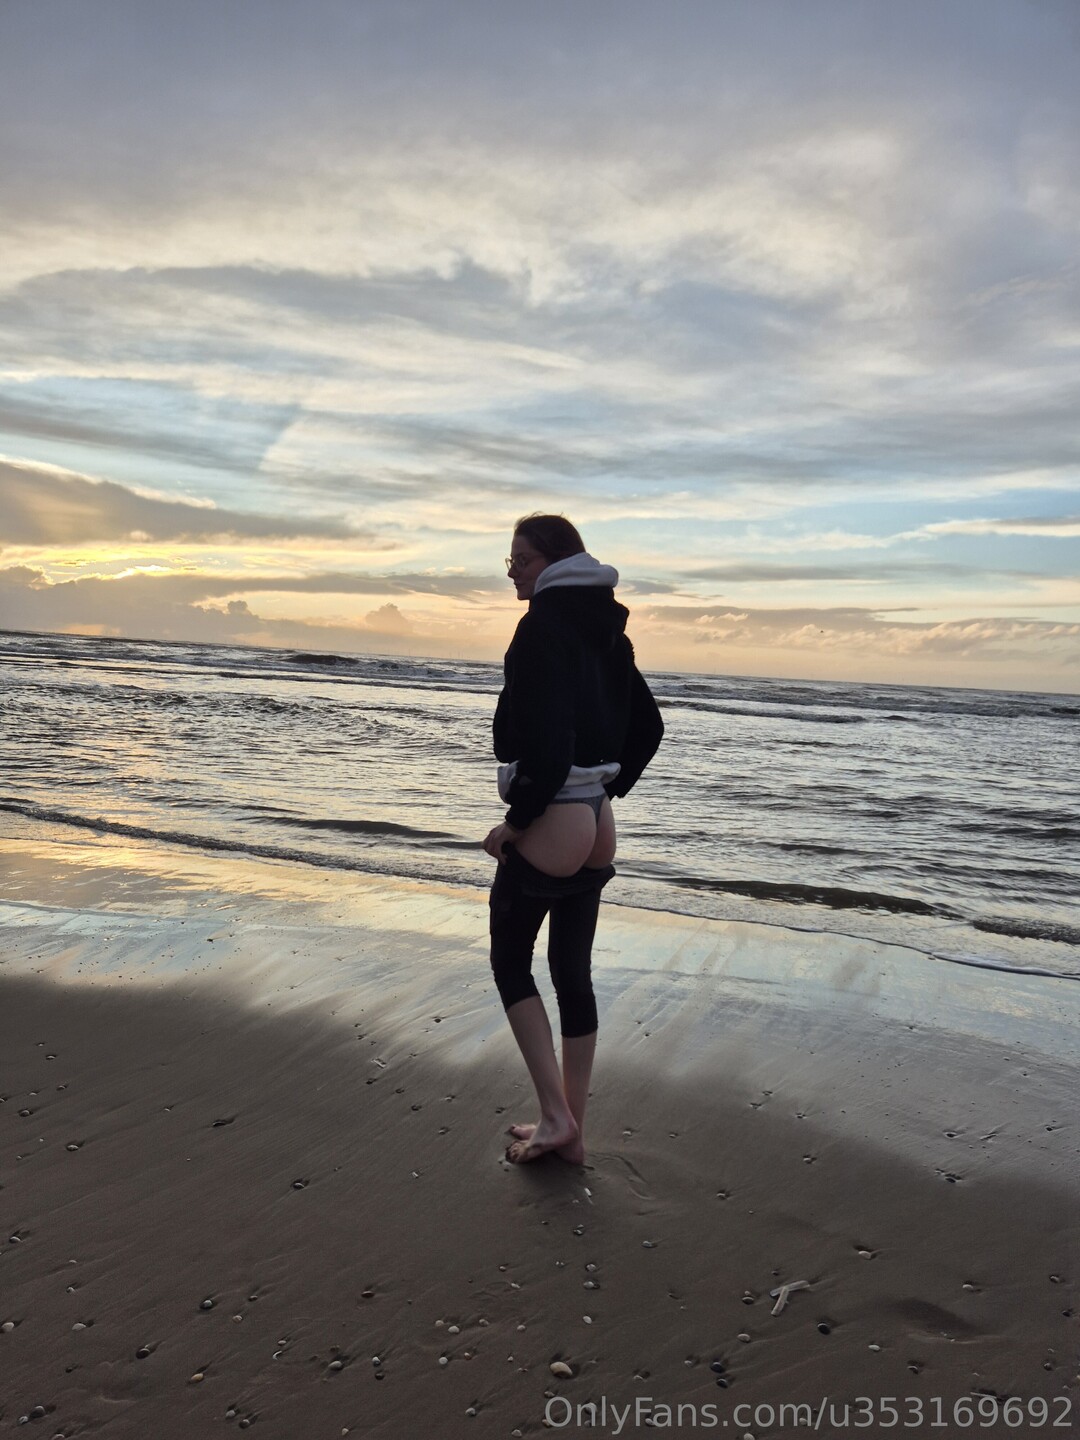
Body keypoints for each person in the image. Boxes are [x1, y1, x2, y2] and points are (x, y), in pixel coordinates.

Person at [483, 514, 663, 1164]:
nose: (513, 574)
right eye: (510, 562)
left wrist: (516, 823)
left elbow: (550, 745)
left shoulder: (541, 628)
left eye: (522, 561)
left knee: (511, 963)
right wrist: (605, 788)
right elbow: (649, 728)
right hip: (596, 820)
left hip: (556, 817)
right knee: (571, 974)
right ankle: (570, 1129)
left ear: (554, 562)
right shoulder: (610, 629)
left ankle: (556, 1119)